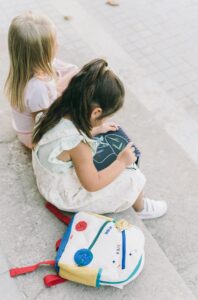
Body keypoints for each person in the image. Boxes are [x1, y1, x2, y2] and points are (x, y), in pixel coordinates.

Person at [32, 58, 167, 219]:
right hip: (63, 195)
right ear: (96, 112)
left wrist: (97, 129)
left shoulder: (55, 110)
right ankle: (141, 208)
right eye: (104, 117)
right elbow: (92, 184)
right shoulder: (78, 146)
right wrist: (122, 162)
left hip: (47, 178)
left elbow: (64, 135)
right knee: (133, 176)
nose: (103, 121)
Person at [4, 12, 78, 149]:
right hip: (32, 138)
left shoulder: (24, 66)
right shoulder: (38, 88)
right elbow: (44, 125)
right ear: (42, 54)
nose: (58, 44)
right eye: (54, 42)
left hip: (24, 124)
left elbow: (63, 68)